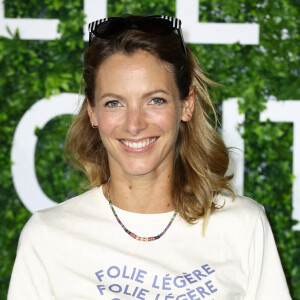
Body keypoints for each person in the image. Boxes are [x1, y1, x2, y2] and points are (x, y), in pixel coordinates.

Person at [8, 15, 291, 300]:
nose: (134, 124)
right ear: (92, 112)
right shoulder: (47, 238)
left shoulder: (243, 226)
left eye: (155, 100)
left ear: (186, 105)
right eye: (114, 103)